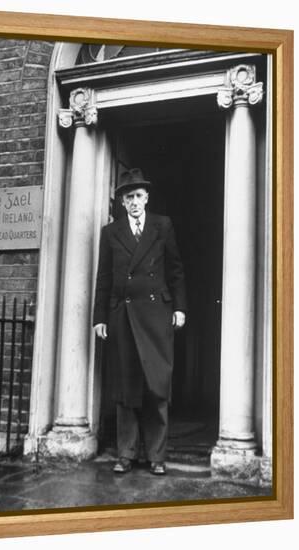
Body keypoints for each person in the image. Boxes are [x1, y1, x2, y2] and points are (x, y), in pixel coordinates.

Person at [93, 168, 187, 475]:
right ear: (121, 202)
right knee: (126, 388)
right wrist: (99, 317)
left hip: (157, 314)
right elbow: (104, 277)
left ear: (146, 197)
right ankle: (126, 454)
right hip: (123, 316)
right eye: (128, 197)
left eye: (138, 196)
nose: (134, 202)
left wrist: (180, 307)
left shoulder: (163, 225)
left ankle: (157, 457)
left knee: (156, 386)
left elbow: (175, 269)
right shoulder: (111, 232)